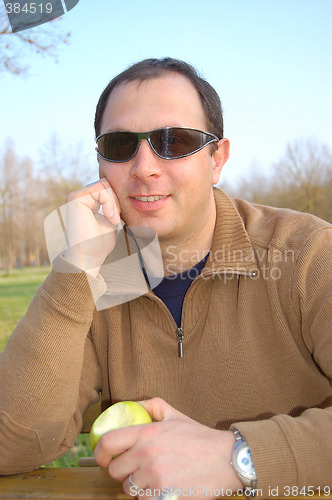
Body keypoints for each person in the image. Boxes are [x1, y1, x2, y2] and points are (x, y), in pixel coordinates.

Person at [0, 58, 331, 499]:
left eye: (174, 141)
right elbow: (11, 448)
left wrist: (238, 457)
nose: (144, 167)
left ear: (218, 159)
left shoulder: (307, 254)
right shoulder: (94, 276)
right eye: (120, 145)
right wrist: (74, 273)